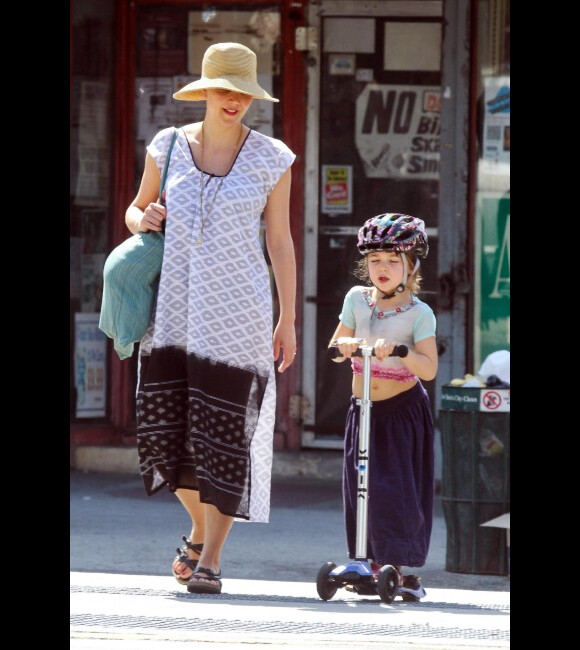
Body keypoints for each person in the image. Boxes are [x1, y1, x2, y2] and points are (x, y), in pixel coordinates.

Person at [125, 42, 297, 595]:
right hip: (173, 311)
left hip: (238, 317)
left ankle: (212, 559)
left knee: (226, 437)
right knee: (164, 432)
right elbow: (136, 210)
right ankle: (199, 531)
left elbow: (280, 240)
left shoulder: (273, 158)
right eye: (224, 90)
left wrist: (287, 318)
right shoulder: (167, 147)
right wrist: (142, 216)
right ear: (203, 92)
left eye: (243, 92)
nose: (234, 101)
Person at [329, 213, 438, 600]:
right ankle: (365, 558)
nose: (383, 269)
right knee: (360, 486)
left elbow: (428, 369)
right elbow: (337, 344)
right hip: (363, 410)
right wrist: (343, 348)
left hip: (401, 412)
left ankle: (402, 569)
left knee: (395, 490)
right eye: (375, 261)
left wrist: (401, 351)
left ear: (411, 267)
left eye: (393, 261)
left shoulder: (419, 313)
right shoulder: (356, 301)